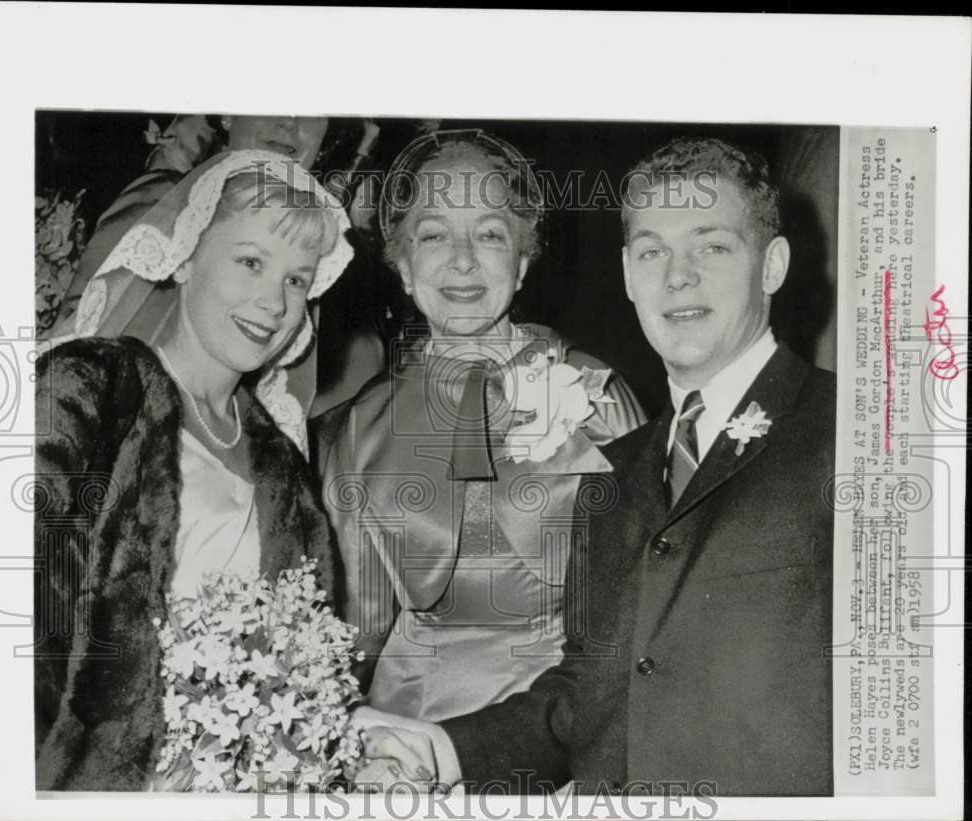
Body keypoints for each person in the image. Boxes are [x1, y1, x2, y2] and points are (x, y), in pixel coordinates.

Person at [355, 137, 837, 796]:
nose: (678, 276)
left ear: (773, 264)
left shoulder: (852, 433)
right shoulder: (632, 462)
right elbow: (595, 683)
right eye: (651, 252)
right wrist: (443, 748)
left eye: (712, 246)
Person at [33, 150, 354, 790]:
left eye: (297, 279)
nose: (274, 301)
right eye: (251, 262)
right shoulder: (88, 389)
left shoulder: (284, 466)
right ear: (182, 257)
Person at [315, 130, 645, 729]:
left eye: (490, 234)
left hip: (567, 729)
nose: (462, 259)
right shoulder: (359, 430)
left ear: (522, 263)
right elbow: (355, 635)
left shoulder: (596, 393)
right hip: (409, 734)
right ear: (403, 267)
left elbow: (641, 610)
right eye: (434, 234)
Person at [53, 115, 330, 329]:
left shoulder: (319, 246)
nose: (289, 122)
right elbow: (81, 319)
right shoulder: (164, 199)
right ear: (227, 115)